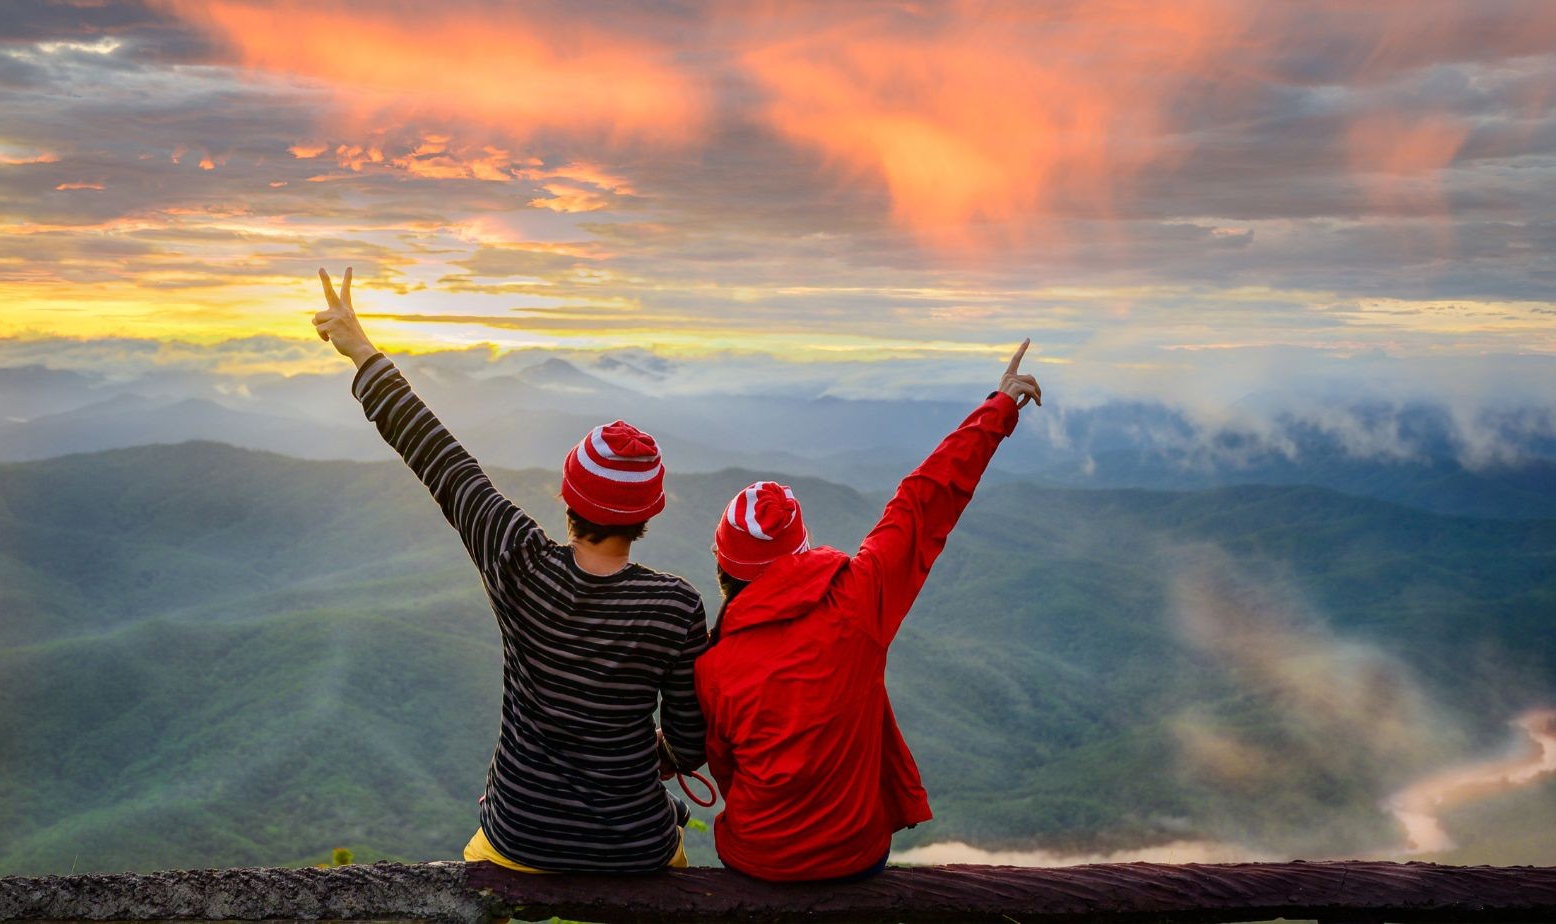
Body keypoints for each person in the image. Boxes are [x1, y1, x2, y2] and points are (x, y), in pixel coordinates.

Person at [310, 267, 708, 873]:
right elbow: (690, 743)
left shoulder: (517, 560)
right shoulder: (676, 607)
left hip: (519, 839)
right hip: (635, 848)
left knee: (477, 870)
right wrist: (646, 756)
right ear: (649, 513)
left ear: (567, 496)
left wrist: (362, 351)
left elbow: (440, 458)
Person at [694, 340, 1042, 882]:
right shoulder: (858, 599)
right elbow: (921, 502)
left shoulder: (714, 665)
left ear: (724, 566)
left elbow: (726, 771)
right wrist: (997, 409)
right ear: (801, 552)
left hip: (756, 859)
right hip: (853, 856)